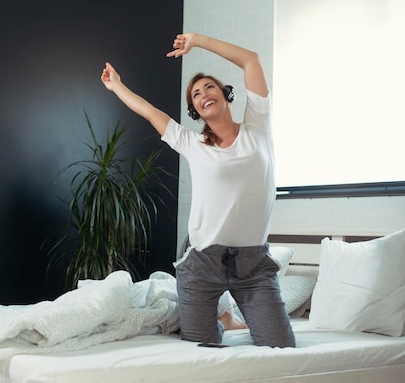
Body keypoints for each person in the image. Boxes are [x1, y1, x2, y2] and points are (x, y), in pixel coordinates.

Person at [100, 33, 295, 348]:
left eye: (210, 87)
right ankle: (221, 319)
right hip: (203, 260)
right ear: (195, 109)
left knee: (281, 346)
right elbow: (151, 112)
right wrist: (117, 86)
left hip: (253, 265)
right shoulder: (192, 143)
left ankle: (227, 317)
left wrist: (197, 41)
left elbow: (251, 60)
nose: (204, 93)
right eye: (195, 94)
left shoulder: (257, 126)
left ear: (223, 94)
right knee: (199, 348)